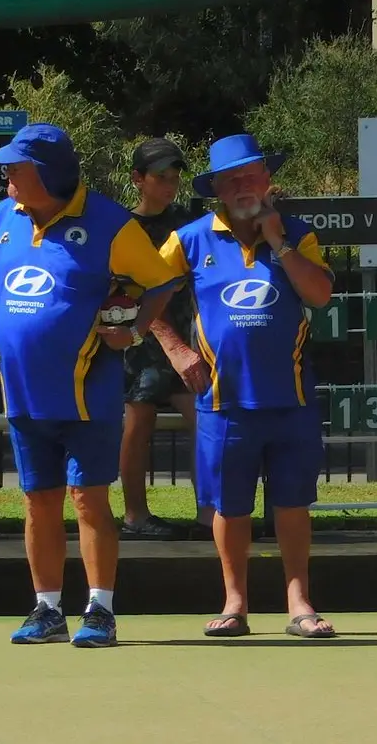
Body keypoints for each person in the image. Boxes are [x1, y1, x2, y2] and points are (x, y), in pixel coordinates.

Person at [0, 123, 183, 647]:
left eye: (17, 166)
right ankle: (46, 609)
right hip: (24, 394)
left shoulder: (108, 222)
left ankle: (99, 610)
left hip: (88, 394)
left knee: (87, 498)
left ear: (49, 174)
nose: (6, 173)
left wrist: (137, 329)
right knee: (37, 501)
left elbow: (163, 281)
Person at [148, 133, 337, 638]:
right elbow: (143, 296)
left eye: (250, 175)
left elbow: (319, 295)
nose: (242, 186)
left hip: (290, 398)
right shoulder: (188, 239)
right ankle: (235, 603)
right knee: (229, 507)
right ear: (216, 190)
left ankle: (300, 603)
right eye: (231, 180)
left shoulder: (298, 233)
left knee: (293, 504)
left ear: (267, 180)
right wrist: (174, 347)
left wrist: (280, 243)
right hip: (222, 401)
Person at [118, 137, 213, 540]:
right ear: (138, 179)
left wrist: (185, 347)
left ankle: (210, 517)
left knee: (206, 421)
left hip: (189, 345)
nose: (170, 184)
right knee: (138, 420)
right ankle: (135, 516)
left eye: (175, 177)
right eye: (160, 177)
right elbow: (132, 296)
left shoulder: (189, 223)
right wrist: (168, 344)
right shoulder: (122, 229)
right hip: (142, 343)